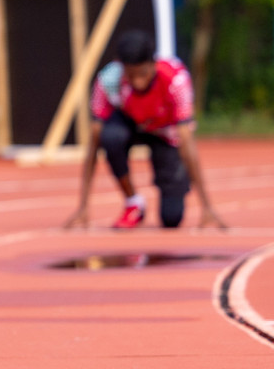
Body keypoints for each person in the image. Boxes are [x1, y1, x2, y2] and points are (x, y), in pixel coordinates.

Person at [63, 29, 226, 231]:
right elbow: (94, 143)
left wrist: (207, 207)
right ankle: (133, 202)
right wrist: (83, 207)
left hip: (164, 133)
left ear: (153, 64)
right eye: (131, 75)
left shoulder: (175, 80)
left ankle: (172, 188)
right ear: (120, 66)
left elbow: (187, 144)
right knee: (110, 136)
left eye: (143, 74)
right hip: (130, 124)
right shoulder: (108, 80)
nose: (138, 82)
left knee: (171, 218)